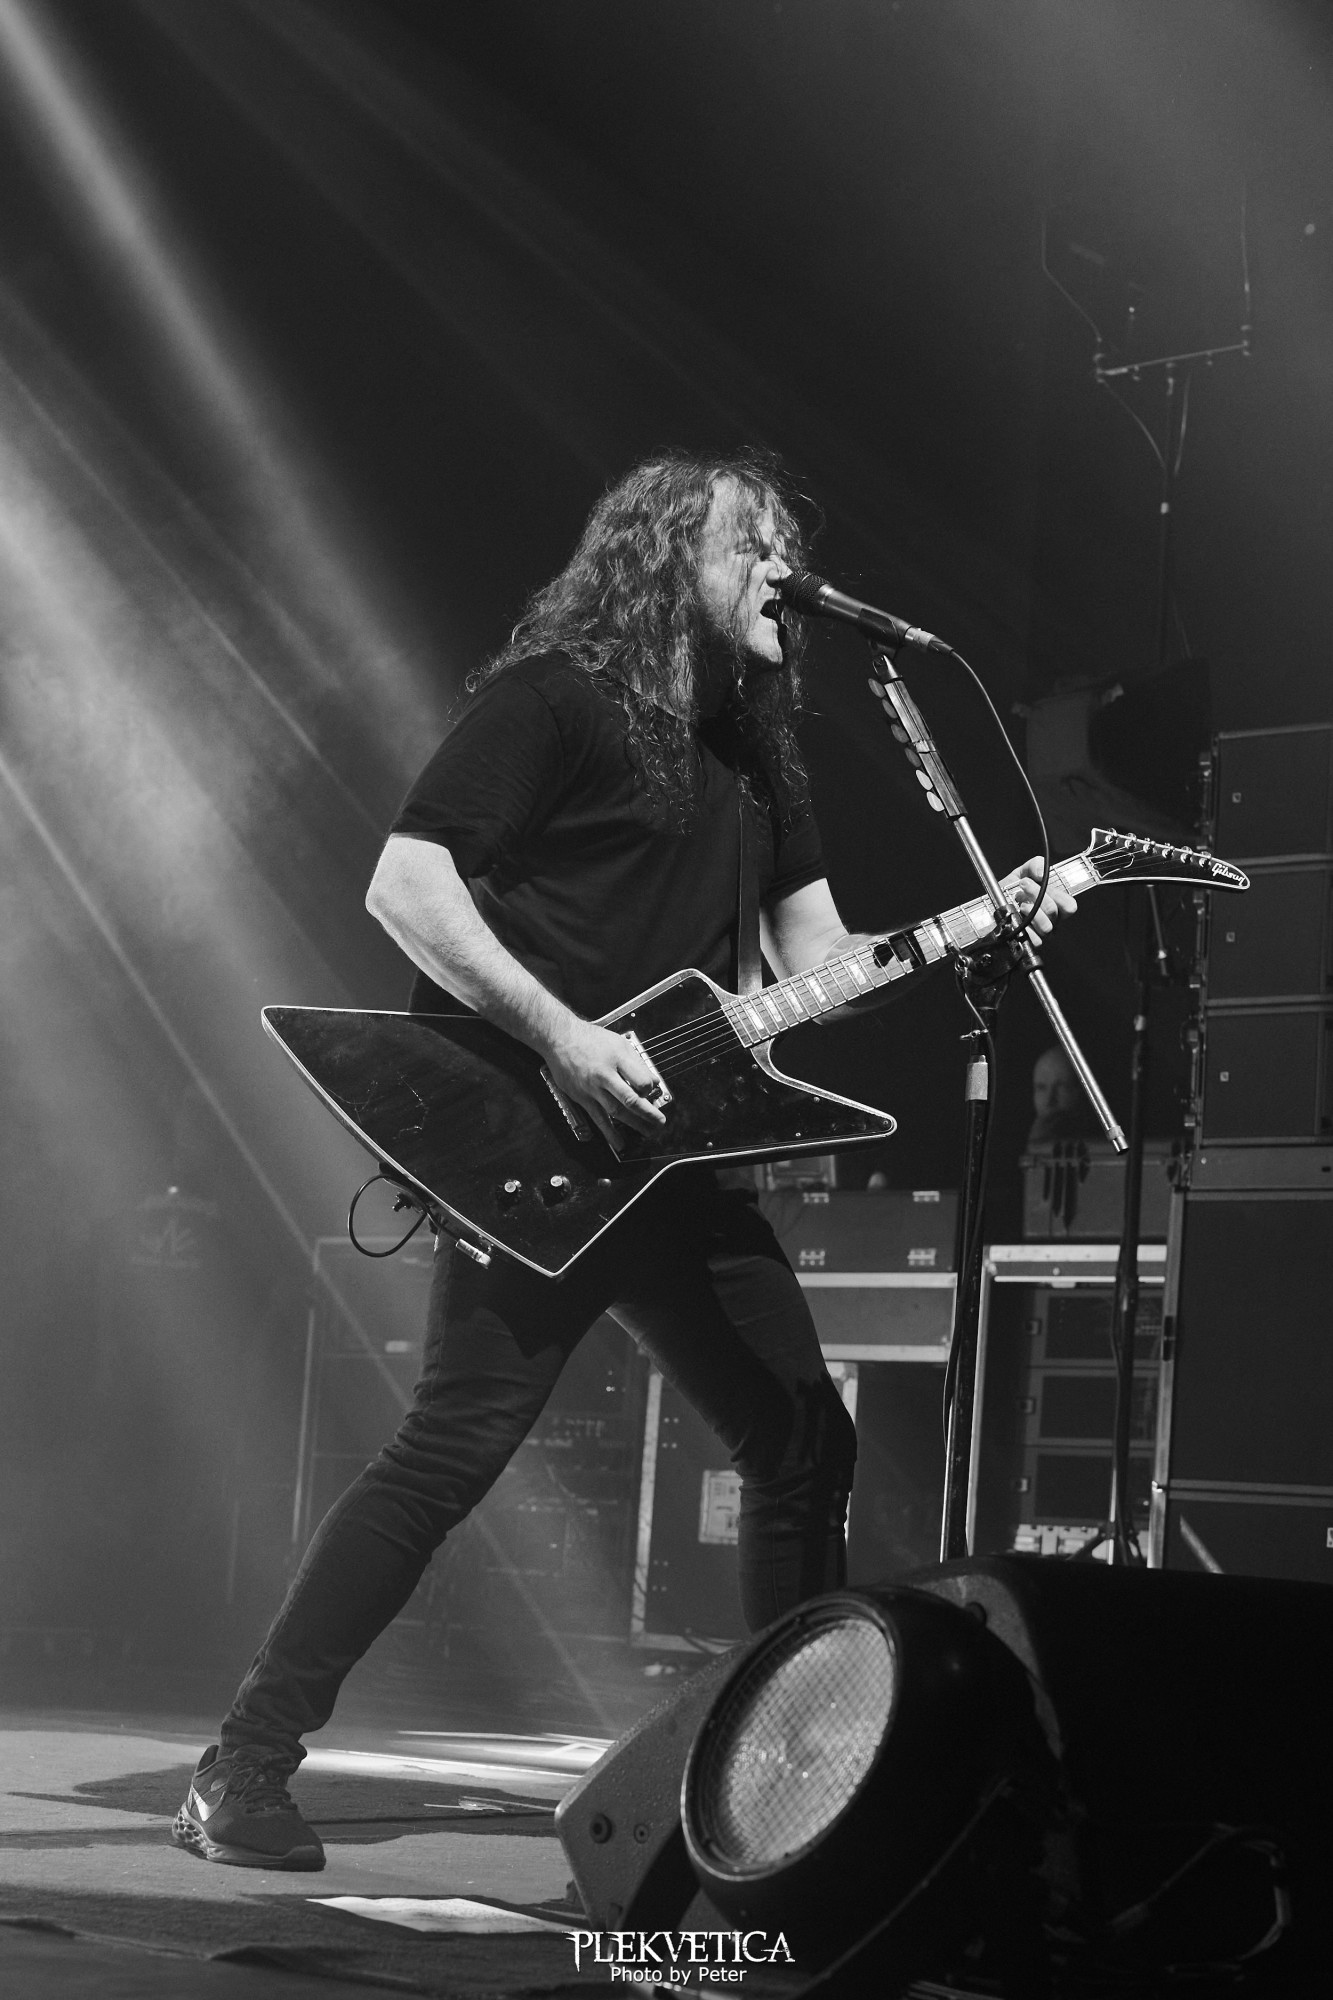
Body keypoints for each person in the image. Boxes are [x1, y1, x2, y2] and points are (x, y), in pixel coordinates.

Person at [172, 450, 1074, 1869]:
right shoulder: (555, 701)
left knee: (801, 1443)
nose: (784, 571)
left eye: (789, 547)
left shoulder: (762, 754)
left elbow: (817, 961)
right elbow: (406, 883)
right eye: (751, 546)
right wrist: (564, 1037)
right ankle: (243, 1762)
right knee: (453, 1450)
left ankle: (780, 1799)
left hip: (679, 1159)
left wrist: (969, 928)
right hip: (538, 1144)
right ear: (667, 562)